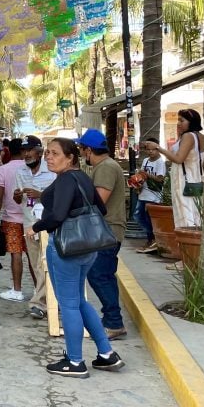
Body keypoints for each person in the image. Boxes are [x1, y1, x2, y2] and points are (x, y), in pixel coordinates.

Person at [33, 137, 125, 377]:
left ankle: (75, 361)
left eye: (54, 153)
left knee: (69, 305)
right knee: (81, 302)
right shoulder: (84, 177)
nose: (48, 157)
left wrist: (35, 227)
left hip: (66, 247)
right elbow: (101, 209)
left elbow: (58, 216)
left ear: (70, 157)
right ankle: (106, 353)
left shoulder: (65, 180)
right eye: (46, 153)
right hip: (88, 248)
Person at [76, 129, 127, 341]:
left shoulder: (105, 168)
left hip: (107, 231)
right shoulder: (105, 166)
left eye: (81, 150)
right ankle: (112, 321)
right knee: (104, 275)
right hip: (107, 230)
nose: (80, 154)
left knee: (98, 275)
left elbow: (98, 201)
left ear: (89, 150)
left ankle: (114, 322)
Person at [12, 136, 56, 318]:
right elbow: (18, 200)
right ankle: (50, 300)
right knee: (36, 264)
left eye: (29, 150)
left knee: (44, 263)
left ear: (39, 152)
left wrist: (41, 194)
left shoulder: (52, 171)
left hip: (47, 222)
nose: (26, 154)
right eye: (23, 151)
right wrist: (17, 195)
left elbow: (60, 196)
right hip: (29, 221)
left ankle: (39, 303)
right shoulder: (20, 171)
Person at [142, 108, 204, 235]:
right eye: (178, 120)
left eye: (182, 120)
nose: (178, 123)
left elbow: (178, 159)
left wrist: (158, 148)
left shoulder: (188, 136)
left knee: (185, 215)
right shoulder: (200, 136)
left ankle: (187, 247)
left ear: (191, 122)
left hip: (184, 181)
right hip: (196, 179)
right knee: (195, 214)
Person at [0, 138, 29, 301]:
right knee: (33, 256)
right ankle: (39, 290)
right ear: (23, 151)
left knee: (16, 254)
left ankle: (17, 290)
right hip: (30, 218)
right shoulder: (29, 168)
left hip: (11, 218)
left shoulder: (2, 170)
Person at [133, 141, 167, 254]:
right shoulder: (145, 161)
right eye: (148, 149)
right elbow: (142, 175)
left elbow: (160, 179)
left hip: (153, 195)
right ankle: (152, 239)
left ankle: (151, 240)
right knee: (138, 216)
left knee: (148, 218)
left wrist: (148, 175)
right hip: (143, 193)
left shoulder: (160, 162)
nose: (150, 151)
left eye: (153, 149)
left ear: (158, 149)